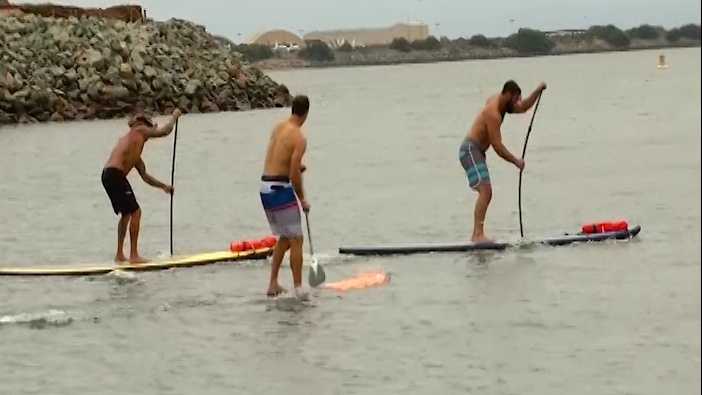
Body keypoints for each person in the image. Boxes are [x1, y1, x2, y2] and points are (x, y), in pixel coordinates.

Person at [459, 80, 546, 243]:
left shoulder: (500, 102)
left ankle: (477, 234)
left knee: (486, 192)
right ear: (508, 95)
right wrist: (516, 161)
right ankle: (477, 235)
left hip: (476, 152)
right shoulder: (493, 113)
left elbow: (524, 107)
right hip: (470, 151)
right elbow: (497, 147)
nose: (517, 104)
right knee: (486, 191)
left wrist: (538, 91)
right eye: (515, 100)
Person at [101, 109, 181, 263]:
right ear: (145, 125)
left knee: (126, 214)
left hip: (108, 175)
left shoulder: (132, 145)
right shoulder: (139, 129)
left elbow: (145, 176)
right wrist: (174, 117)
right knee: (136, 212)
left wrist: (164, 187)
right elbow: (166, 131)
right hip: (115, 174)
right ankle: (134, 255)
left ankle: (119, 255)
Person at [259, 95, 310, 297]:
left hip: (265, 187)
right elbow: (294, 174)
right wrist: (302, 199)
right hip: (280, 189)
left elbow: (281, 158)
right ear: (306, 113)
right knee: (297, 239)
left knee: (285, 238)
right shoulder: (299, 137)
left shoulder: (278, 127)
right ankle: (298, 290)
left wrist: (296, 167)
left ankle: (273, 284)